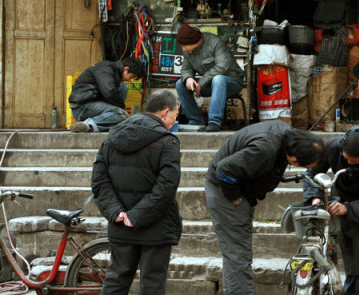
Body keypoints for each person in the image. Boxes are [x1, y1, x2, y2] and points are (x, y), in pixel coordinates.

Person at [204, 120, 324, 295]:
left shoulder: (286, 135)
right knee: (238, 255)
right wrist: (235, 198)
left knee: (237, 254)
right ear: (294, 159)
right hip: (225, 191)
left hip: (242, 189)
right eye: (304, 166)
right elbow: (224, 171)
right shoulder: (266, 149)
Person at [92, 90, 182, 295]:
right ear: (165, 112)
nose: (175, 120)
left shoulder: (111, 138)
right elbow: (167, 187)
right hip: (156, 226)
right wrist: (136, 215)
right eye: (175, 114)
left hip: (120, 224)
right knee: (152, 284)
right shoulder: (167, 141)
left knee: (116, 280)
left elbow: (99, 181)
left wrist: (116, 211)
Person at [303, 125, 359, 295]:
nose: (349, 163)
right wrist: (315, 196)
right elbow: (311, 172)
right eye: (346, 159)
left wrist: (349, 208)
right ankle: (349, 289)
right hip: (342, 196)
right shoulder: (332, 147)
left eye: (355, 161)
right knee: (348, 249)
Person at [174, 23, 245, 132]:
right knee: (180, 84)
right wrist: (188, 78)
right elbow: (186, 68)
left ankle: (214, 122)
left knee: (218, 79)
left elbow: (222, 66)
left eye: (184, 45)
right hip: (209, 85)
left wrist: (201, 83)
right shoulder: (188, 51)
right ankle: (196, 120)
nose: (183, 49)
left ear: (193, 41)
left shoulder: (215, 42)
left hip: (231, 82)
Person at [68, 57, 145, 133]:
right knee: (122, 115)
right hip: (82, 107)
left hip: (93, 103)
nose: (128, 80)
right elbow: (110, 93)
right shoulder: (104, 69)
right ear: (126, 69)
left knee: (122, 88)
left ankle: (106, 120)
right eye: (131, 77)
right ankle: (88, 124)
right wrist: (121, 111)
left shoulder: (114, 73)